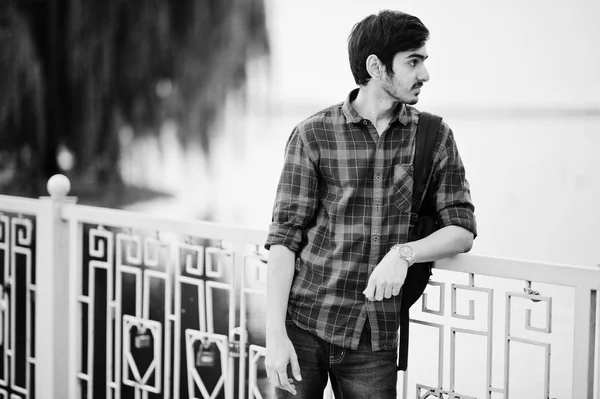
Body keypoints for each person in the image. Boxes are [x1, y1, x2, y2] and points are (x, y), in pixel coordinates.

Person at [264, 10, 477, 399]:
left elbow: (461, 230)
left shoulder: (434, 137)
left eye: (424, 61)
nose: (424, 74)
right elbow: (284, 239)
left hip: (374, 340)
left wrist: (405, 253)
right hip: (304, 326)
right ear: (376, 67)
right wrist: (275, 335)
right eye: (413, 62)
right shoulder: (313, 135)